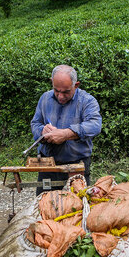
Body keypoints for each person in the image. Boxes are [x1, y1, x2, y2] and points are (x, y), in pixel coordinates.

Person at [30, 65, 102, 195]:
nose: (61, 96)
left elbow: (95, 125)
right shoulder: (45, 99)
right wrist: (42, 131)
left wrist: (67, 134)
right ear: (52, 81)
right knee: (45, 206)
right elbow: (35, 123)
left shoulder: (87, 101)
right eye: (57, 90)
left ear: (76, 85)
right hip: (48, 165)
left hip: (76, 166)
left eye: (66, 92)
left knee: (77, 208)